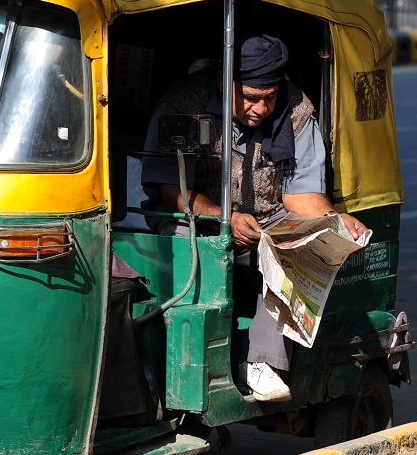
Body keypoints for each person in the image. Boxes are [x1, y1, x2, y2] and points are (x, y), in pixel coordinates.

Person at [141, 35, 367, 402]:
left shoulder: (296, 111)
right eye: (250, 97)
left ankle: (260, 363)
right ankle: (181, 360)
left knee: (300, 248)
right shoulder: (182, 105)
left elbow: (299, 195)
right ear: (222, 82)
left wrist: (336, 220)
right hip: (194, 216)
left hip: (268, 218)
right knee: (189, 243)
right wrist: (224, 217)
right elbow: (170, 192)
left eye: (269, 98)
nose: (260, 109)